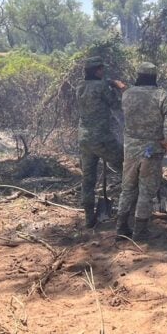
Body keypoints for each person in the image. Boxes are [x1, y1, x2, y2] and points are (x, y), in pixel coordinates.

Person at [116, 62, 167, 241]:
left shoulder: (127, 94)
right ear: (154, 77)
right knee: (146, 190)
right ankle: (140, 231)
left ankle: (121, 229)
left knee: (127, 188)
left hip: (130, 149)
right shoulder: (161, 95)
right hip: (151, 150)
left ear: (139, 76)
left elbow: (126, 96)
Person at [75, 56, 125, 228]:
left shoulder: (80, 86)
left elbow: (93, 90)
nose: (104, 71)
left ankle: (89, 219)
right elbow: (116, 104)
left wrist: (108, 82)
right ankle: (132, 209)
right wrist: (117, 87)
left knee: (88, 179)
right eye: (102, 69)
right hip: (102, 138)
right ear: (97, 70)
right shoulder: (102, 86)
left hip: (84, 139)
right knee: (127, 167)